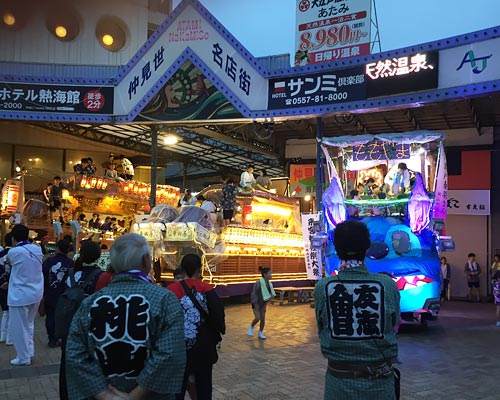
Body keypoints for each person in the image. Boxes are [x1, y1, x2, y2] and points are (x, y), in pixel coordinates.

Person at [66, 233, 186, 399]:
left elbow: (75, 354)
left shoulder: (90, 302)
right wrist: (135, 395)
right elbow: (170, 353)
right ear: (146, 260)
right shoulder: (164, 299)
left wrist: (105, 394)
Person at [314, 220, 400, 400]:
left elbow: (322, 327)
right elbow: (393, 325)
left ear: (336, 249)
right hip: (380, 387)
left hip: (338, 386)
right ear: (367, 247)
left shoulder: (323, 287)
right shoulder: (387, 285)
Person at [167, 254, 225, 400]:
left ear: (182, 268)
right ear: (200, 269)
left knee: (177, 388)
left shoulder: (171, 289)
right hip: (203, 347)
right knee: (204, 386)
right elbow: (218, 315)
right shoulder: (207, 288)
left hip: (178, 348)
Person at [58, 240, 103, 399]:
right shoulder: (100, 276)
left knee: (66, 361)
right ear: (98, 256)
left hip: (69, 322)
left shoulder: (71, 273)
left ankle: (66, 393)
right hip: (90, 326)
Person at [7, 224, 44, 366]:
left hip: (19, 295)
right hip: (36, 293)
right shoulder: (37, 249)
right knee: (29, 324)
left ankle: (23, 357)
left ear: (13, 238)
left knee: (18, 327)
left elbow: (9, 261)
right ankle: (29, 352)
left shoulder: (14, 252)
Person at [42, 239, 74, 348]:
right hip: (65, 294)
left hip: (50, 292)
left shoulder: (49, 261)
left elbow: (43, 274)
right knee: (63, 317)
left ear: (57, 248)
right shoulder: (71, 263)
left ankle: (52, 338)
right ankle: (61, 337)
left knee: (50, 316)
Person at [248, 266, 275, 340]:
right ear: (265, 274)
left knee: (263, 318)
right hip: (256, 302)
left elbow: (270, 293)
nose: (271, 275)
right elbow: (254, 294)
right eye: (270, 273)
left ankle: (260, 332)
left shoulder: (269, 284)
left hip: (263, 302)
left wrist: (270, 299)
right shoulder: (258, 283)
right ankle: (251, 327)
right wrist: (255, 304)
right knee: (257, 317)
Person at [0, 233, 13, 345]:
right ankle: (10, 338)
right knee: (12, 312)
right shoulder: (16, 254)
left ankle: (2, 335)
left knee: (5, 311)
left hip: (1, 285)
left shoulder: (0, 254)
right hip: (12, 285)